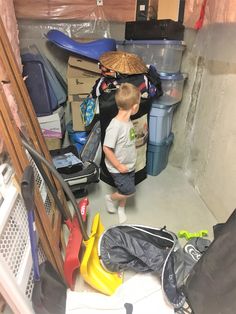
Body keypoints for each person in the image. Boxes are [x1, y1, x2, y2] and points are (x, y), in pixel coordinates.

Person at [103, 82, 141, 223]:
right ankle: (110, 198)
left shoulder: (128, 121)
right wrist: (118, 166)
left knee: (125, 189)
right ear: (135, 107)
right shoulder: (115, 126)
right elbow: (106, 148)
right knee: (129, 191)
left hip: (129, 164)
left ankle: (121, 209)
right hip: (118, 167)